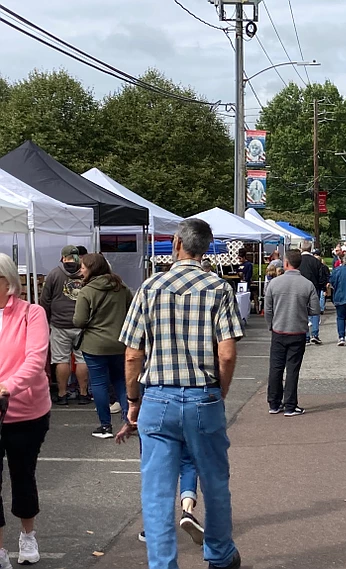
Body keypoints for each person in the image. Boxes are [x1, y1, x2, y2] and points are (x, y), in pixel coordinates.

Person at [120, 218, 245, 569]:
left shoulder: (149, 288)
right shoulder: (219, 288)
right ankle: (219, 554)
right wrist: (218, 392)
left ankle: (163, 564)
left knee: (157, 492)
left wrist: (133, 400)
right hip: (202, 395)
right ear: (206, 248)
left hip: (158, 397)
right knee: (215, 481)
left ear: (176, 243)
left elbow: (132, 353)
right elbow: (227, 353)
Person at [0, 253, 52, 566]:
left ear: (7, 282)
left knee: (22, 475)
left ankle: (27, 534)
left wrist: (7, 387)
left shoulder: (32, 313)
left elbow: (35, 361)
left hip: (26, 412)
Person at [73, 254, 133, 439]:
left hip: (95, 345)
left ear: (92, 268)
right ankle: (129, 421)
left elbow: (79, 321)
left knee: (99, 384)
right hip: (120, 343)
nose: (81, 270)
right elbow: (131, 313)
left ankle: (105, 426)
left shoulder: (87, 291)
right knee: (121, 381)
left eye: (83, 267)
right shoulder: (122, 288)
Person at [264, 249, 319, 416]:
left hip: (278, 330)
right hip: (297, 331)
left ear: (286, 263)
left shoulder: (274, 283)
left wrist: (271, 325)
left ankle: (274, 403)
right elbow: (315, 309)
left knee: (276, 368)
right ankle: (290, 404)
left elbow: (267, 309)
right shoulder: (307, 284)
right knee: (292, 369)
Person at [40, 245, 91, 406]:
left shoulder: (54, 274)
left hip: (59, 324)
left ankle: (62, 394)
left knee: (61, 360)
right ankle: (83, 393)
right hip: (83, 324)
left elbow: (45, 300)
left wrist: (47, 319)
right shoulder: (86, 273)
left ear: (63, 257)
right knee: (82, 359)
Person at [298, 241, 327, 345]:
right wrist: (321, 287)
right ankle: (315, 334)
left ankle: (305, 336)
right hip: (314, 288)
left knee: (302, 312)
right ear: (311, 249)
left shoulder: (298, 261)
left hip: (300, 288)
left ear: (301, 248)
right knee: (315, 311)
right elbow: (322, 276)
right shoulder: (316, 262)